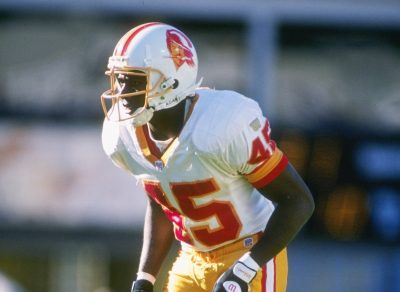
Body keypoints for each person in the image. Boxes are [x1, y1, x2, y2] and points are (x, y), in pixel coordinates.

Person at [101, 22, 314, 292]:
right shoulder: (122, 136)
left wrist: (245, 268)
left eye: (134, 78)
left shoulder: (222, 125)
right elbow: (162, 202)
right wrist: (145, 276)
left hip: (249, 252)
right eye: (119, 78)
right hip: (190, 258)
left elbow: (298, 202)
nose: (122, 91)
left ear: (172, 80)